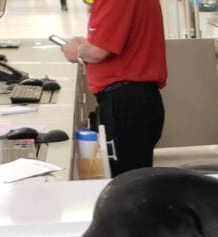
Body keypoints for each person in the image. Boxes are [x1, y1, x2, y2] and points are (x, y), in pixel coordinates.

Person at [62, 0, 167, 177]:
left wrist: (77, 51)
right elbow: (116, 40)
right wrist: (87, 44)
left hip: (126, 103)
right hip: (135, 100)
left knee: (128, 183)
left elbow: (98, 53)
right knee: (132, 178)